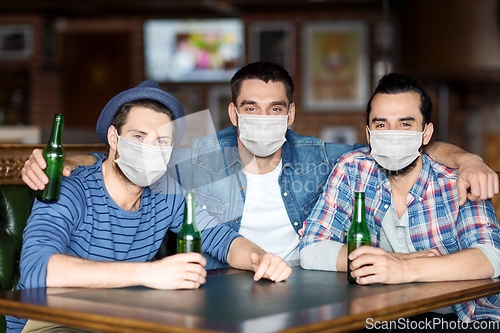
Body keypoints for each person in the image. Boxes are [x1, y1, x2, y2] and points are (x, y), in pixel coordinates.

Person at [22, 63, 499, 269]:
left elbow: (396, 145)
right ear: (233, 113)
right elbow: (128, 153)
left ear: (290, 115)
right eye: (250, 108)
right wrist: (68, 161)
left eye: (276, 109)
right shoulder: (201, 147)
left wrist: (466, 157)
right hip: (219, 284)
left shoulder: (316, 153)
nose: (264, 119)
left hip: (307, 279)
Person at [7, 81, 291, 333]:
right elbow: (36, 270)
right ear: (114, 139)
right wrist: (150, 274)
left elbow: (220, 238)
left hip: (120, 318)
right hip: (49, 321)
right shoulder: (71, 187)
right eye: (138, 137)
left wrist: (260, 257)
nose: (149, 148)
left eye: (161, 141)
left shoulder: (166, 192)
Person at [300, 74, 500, 330]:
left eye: (405, 125)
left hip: (459, 317)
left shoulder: (456, 181)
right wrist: (394, 259)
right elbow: (312, 247)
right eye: (381, 125)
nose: (392, 135)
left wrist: (404, 270)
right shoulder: (352, 170)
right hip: (380, 315)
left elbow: (490, 257)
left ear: (426, 132)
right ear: (369, 134)